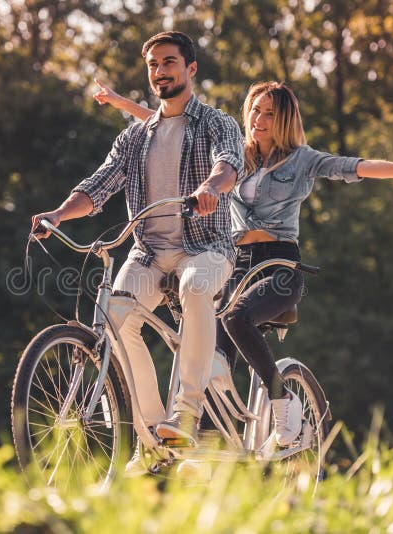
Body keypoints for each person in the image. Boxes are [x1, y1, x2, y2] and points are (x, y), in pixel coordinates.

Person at [93, 79, 393, 448]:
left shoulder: (304, 160)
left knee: (235, 317)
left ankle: (281, 398)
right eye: (255, 109)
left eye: (269, 113)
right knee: (205, 354)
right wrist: (119, 102)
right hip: (235, 264)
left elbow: (360, 167)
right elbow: (170, 126)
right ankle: (194, 442)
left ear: (284, 119)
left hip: (280, 267)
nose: (259, 118)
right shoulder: (233, 153)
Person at [31, 31, 244, 455]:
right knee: (114, 316)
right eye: (153, 65)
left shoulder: (217, 123)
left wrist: (211, 188)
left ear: (190, 69)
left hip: (207, 248)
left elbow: (229, 164)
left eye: (169, 62)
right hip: (147, 252)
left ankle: (186, 412)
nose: (160, 72)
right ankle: (152, 433)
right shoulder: (134, 137)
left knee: (195, 286)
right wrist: (57, 214)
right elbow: (98, 186)